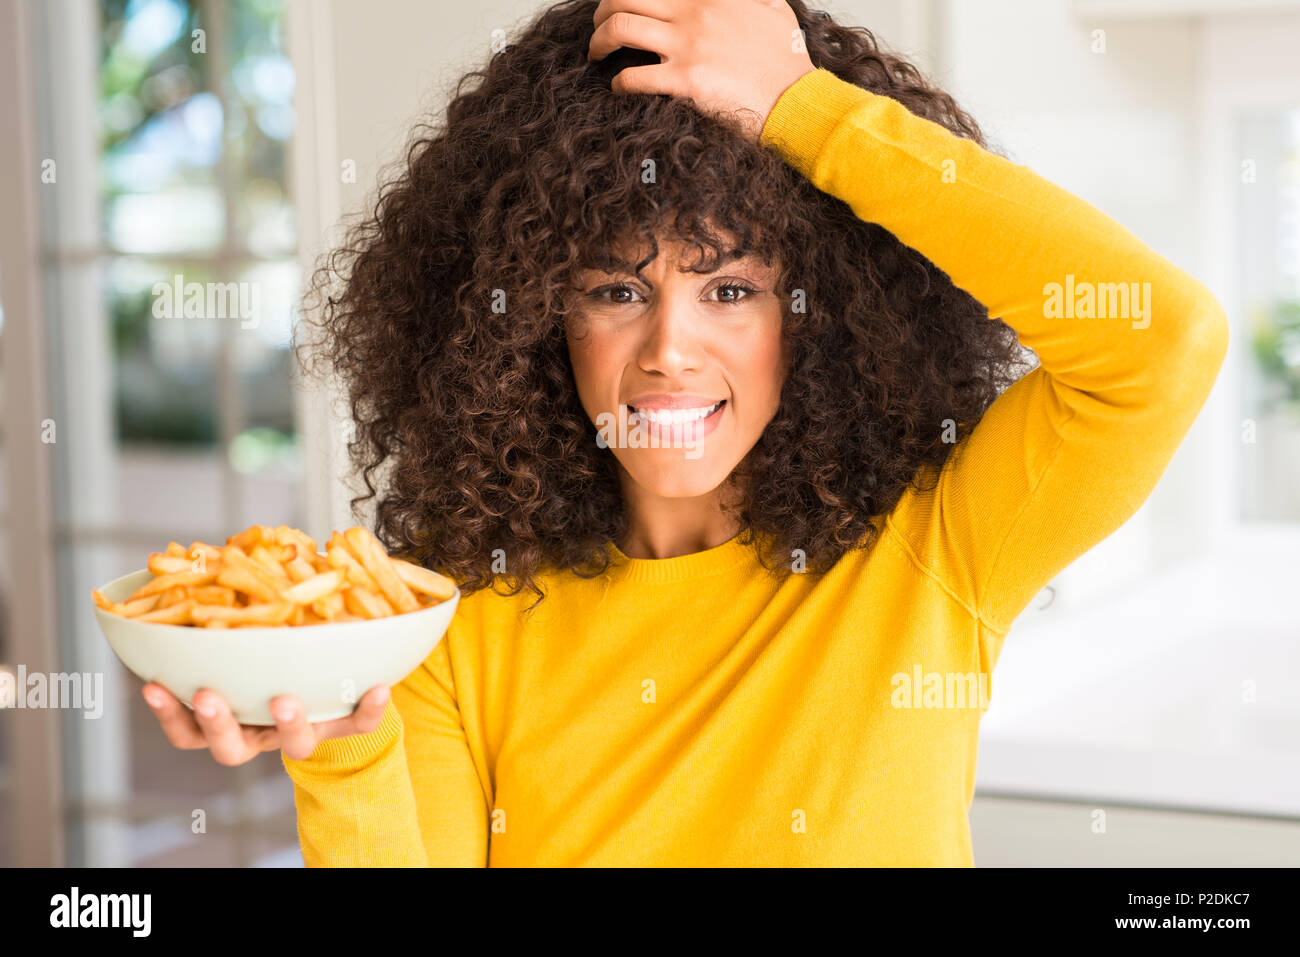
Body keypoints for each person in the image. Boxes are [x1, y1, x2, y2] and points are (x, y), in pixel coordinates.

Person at [143, 0, 1229, 866]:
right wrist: (338, 748)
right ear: (534, 321)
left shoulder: (933, 546)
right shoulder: (445, 616)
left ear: (819, 319)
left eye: (732, 289)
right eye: (617, 288)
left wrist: (803, 108)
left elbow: (1160, 341)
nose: (667, 349)